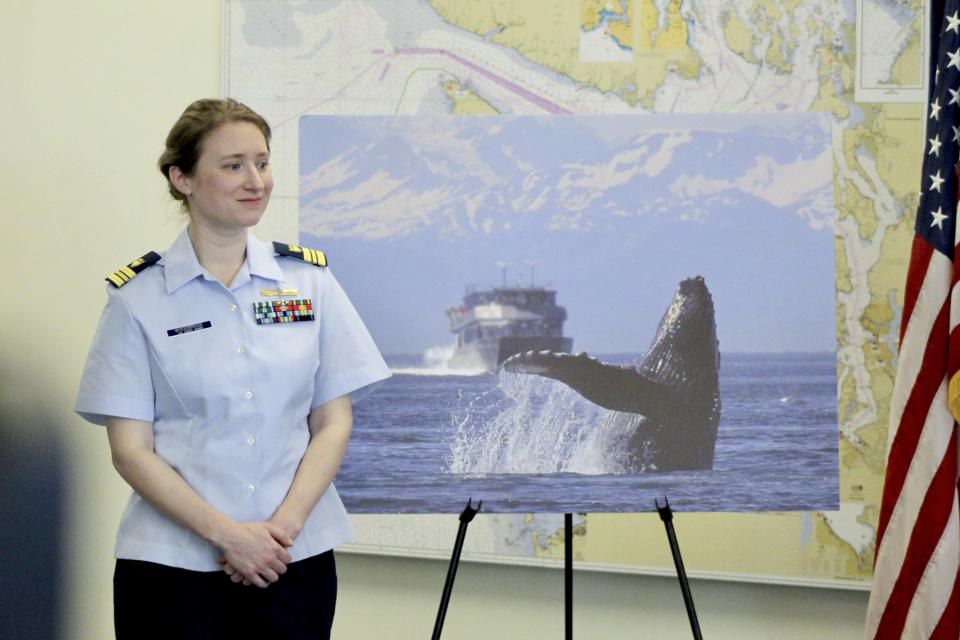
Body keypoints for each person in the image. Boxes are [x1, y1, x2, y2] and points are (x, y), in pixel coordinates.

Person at [75, 98, 390, 639]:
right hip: (171, 566)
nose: (255, 181)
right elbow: (130, 449)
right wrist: (228, 536)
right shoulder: (137, 298)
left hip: (293, 558)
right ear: (182, 179)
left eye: (262, 163)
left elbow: (332, 423)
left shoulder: (307, 283)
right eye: (233, 165)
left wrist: (280, 532)